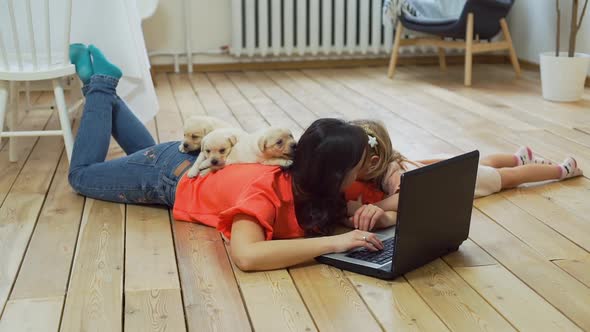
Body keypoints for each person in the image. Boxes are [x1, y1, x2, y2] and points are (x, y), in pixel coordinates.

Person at [67, 44, 385, 272]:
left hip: (188, 163)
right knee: (80, 175)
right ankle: (101, 84)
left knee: (143, 153)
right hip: (167, 175)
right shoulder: (267, 189)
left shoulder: (319, 184)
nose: (360, 174)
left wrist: (379, 216)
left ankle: (104, 91)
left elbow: (389, 203)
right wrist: (336, 242)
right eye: (357, 167)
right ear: (337, 173)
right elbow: (246, 256)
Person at [345, 119, 584, 231]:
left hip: (459, 183)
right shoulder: (381, 166)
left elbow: (405, 196)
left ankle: (562, 170)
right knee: (486, 162)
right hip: (445, 170)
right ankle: (520, 155)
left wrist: (374, 204)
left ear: (373, 163)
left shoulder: (391, 174)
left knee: (510, 177)